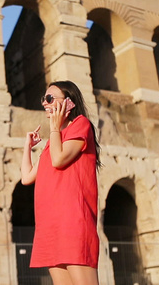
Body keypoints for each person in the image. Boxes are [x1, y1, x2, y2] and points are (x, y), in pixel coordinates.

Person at [21, 80, 101, 285]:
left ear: (69, 102)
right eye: (43, 99)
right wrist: (27, 148)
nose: (44, 103)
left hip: (73, 222)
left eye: (49, 98)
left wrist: (54, 128)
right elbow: (27, 177)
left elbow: (59, 160)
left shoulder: (81, 124)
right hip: (50, 225)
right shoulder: (52, 143)